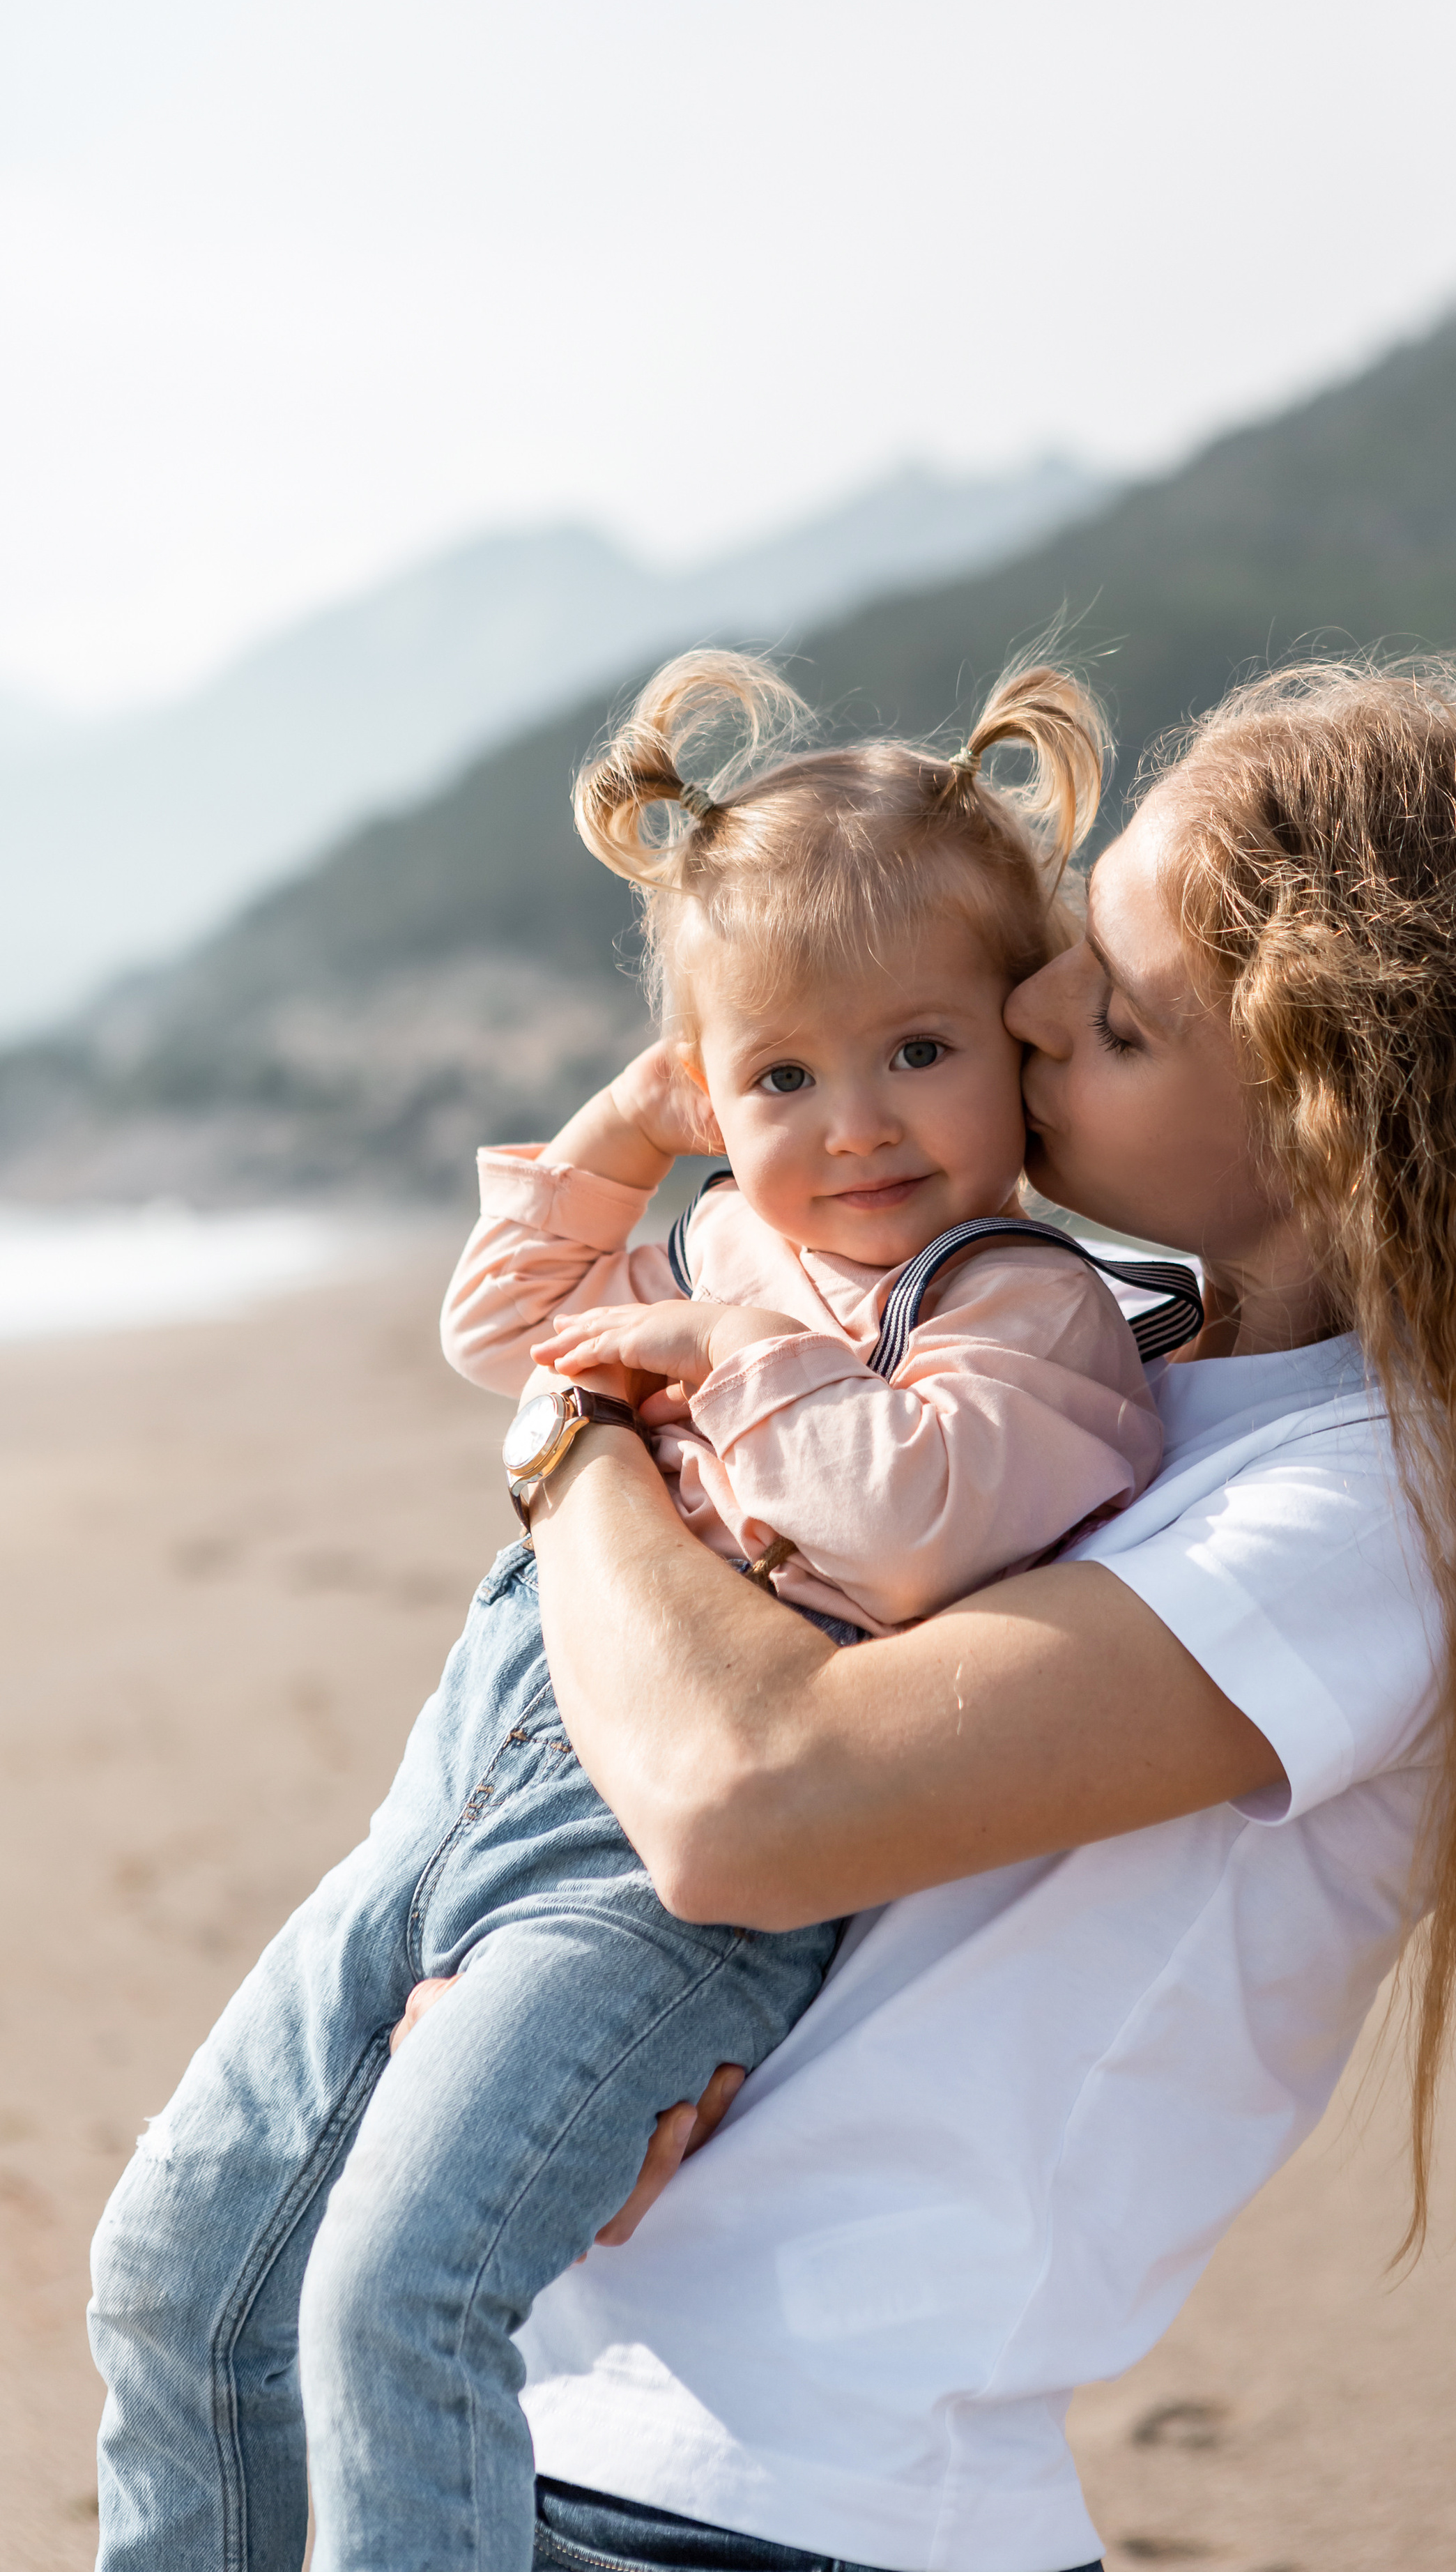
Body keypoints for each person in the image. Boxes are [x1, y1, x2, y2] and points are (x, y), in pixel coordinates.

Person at [430, 659, 1456, 2572]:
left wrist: (576, 1430)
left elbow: (750, 1800)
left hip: (786, 2482)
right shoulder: (1104, 1378)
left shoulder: (1374, 1516)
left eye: (1112, 1015)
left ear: (1325, 1120)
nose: (1028, 1003)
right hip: (589, 2384)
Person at [87, 649, 1202, 2572]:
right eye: (778, 1075)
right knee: (177, 2261)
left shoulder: (1028, 1305)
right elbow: (507, 1334)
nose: (851, 1126)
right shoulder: (738, 1224)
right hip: (454, 1797)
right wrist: (626, 1138)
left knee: (394, 2299)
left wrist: (717, 1342)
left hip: (650, 1878)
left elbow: (918, 1524)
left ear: (1018, 1047)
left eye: (916, 1052)